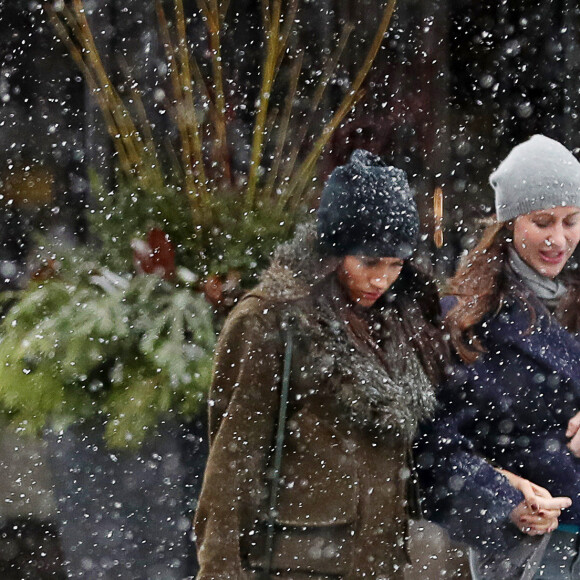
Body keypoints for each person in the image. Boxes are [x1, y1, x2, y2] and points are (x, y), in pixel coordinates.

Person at [193, 149, 450, 579]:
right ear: (334, 252)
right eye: (369, 262)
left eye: (396, 264)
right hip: (297, 561)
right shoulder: (271, 320)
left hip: (378, 562)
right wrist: (220, 570)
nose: (381, 279)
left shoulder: (397, 317)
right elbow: (230, 464)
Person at [416, 134, 580, 579]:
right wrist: (507, 501)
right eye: (543, 221)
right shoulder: (469, 318)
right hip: (534, 550)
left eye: (571, 221)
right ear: (509, 222)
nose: (559, 239)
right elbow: (436, 448)